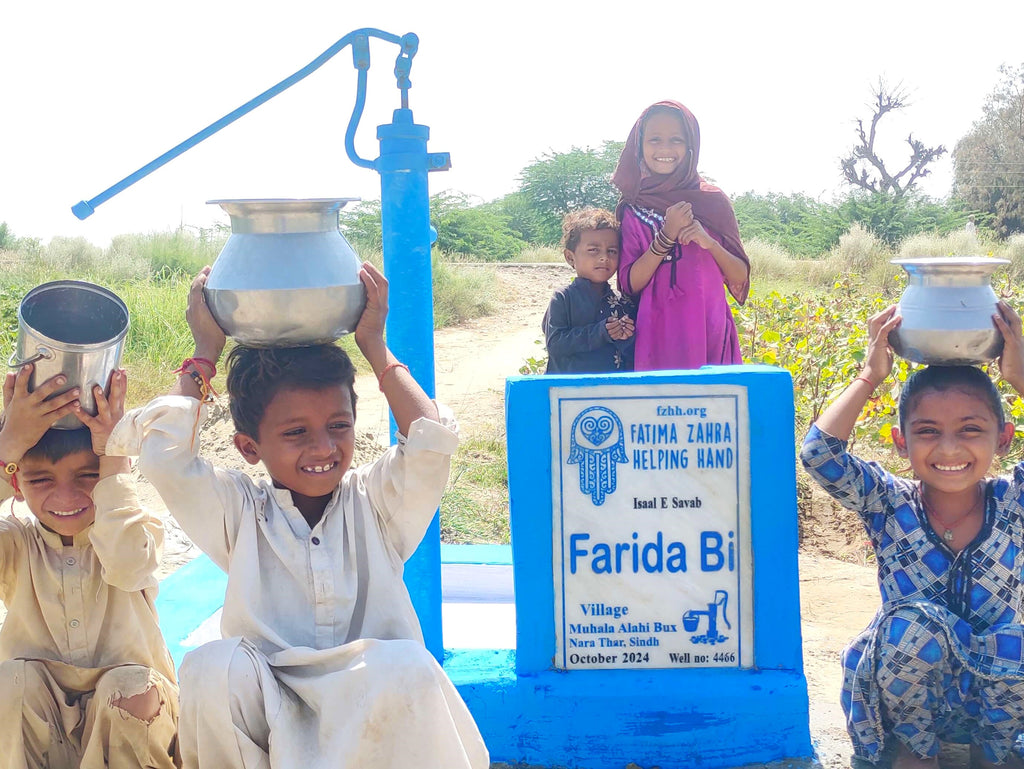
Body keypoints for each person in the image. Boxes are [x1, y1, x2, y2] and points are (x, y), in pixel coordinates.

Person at [106, 262, 488, 769]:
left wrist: (374, 345)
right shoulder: (239, 511)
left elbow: (431, 441)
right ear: (248, 447)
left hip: (369, 693)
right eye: (295, 433)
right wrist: (205, 352)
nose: (323, 447)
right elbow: (163, 457)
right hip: (270, 694)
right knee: (211, 667)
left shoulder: (377, 505)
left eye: (338, 425)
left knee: (409, 665)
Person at [801, 302, 1024, 769]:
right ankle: (914, 754)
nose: (949, 449)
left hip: (997, 703)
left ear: (1002, 439)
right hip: (908, 699)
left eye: (970, 430)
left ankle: (993, 756)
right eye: (927, 432)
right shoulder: (889, 503)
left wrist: (1020, 375)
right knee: (910, 626)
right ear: (901, 442)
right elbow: (820, 454)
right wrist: (869, 375)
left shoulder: (1012, 502)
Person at [0, 367, 179, 769]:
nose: (66, 495)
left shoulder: (132, 526)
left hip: (131, 724)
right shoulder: (15, 541)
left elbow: (131, 566)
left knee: (129, 686)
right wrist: (7, 448)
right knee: (9, 683)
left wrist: (113, 457)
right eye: (41, 479)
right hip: (42, 734)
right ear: (15, 484)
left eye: (88, 475)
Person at [612, 100, 751, 370]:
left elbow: (739, 276)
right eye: (654, 139)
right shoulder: (633, 207)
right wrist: (666, 236)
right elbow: (628, 282)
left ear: (690, 146)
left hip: (708, 327)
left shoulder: (712, 202)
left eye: (676, 139)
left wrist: (709, 243)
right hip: (656, 333)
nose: (665, 149)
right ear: (639, 146)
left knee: (713, 407)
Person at [542, 207, 636, 374]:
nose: (604, 257)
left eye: (612, 251)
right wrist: (600, 332)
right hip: (569, 394)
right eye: (593, 250)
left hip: (612, 394)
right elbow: (555, 344)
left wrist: (626, 335)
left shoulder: (623, 302)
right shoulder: (563, 298)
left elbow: (632, 353)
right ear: (570, 257)